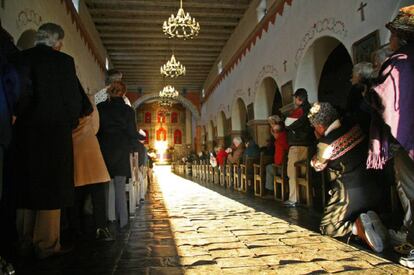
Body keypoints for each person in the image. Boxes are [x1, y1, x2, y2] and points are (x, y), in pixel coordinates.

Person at [10, 23, 82, 259]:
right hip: (54, 133)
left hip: (25, 131)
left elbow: (17, 93)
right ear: (57, 42)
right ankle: (47, 243)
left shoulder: (22, 58)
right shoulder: (63, 62)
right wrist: (69, 122)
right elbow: (73, 100)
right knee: (52, 185)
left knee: (27, 182)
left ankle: (24, 239)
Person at [364, 5, 414, 264]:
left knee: (412, 190)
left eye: (393, 34)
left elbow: (384, 97)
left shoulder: (400, 62)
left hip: (409, 141)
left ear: (402, 36)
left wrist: (369, 89)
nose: (390, 39)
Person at [308, 102, 384, 252]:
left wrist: (318, 143)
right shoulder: (354, 126)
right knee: (358, 211)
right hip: (372, 187)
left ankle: (357, 228)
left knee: (328, 227)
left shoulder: (326, 143)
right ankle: (374, 220)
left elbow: (317, 165)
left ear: (319, 126)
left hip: (349, 193)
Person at [70, 85, 112, 241]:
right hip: (90, 148)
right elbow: (95, 127)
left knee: (76, 193)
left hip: (73, 148)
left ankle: (76, 229)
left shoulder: (66, 102)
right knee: (97, 192)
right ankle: (101, 228)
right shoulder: (90, 102)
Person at [97, 81, 139, 229]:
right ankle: (123, 221)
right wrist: (137, 144)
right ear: (123, 93)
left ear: (109, 91)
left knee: (106, 187)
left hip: (104, 149)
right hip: (121, 150)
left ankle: (109, 220)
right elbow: (131, 132)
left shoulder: (100, 108)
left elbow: (97, 130)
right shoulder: (128, 111)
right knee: (120, 187)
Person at [284, 88, 314, 207]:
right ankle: (304, 197)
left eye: (295, 98)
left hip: (297, 145)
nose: (294, 100)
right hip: (307, 145)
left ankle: (294, 199)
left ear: (298, 98)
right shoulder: (310, 109)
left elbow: (287, 124)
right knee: (303, 173)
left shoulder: (299, 111)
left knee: (292, 173)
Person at [345, 62, 374, 134]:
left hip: (361, 126)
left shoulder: (356, 88)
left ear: (359, 76)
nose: (351, 77)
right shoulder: (373, 85)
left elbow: (349, 108)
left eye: (353, 74)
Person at [265, 123, 289, 193]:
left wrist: (275, 164)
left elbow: (278, 161)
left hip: (282, 169)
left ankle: (271, 190)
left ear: (276, 132)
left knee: (269, 167)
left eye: (274, 132)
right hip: (290, 167)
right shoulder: (287, 136)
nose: (273, 134)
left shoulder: (278, 142)